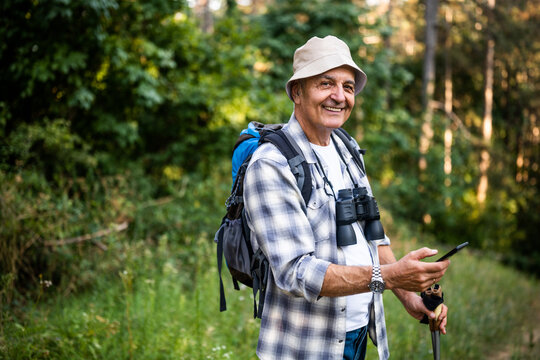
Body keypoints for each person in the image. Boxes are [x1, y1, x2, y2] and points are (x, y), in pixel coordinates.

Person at [243, 35, 450, 360]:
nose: (339, 97)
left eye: (348, 87)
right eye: (326, 84)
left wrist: (409, 297)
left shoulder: (347, 148)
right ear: (297, 91)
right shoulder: (272, 164)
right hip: (304, 346)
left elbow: (373, 235)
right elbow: (296, 271)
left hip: (356, 336)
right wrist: (392, 276)